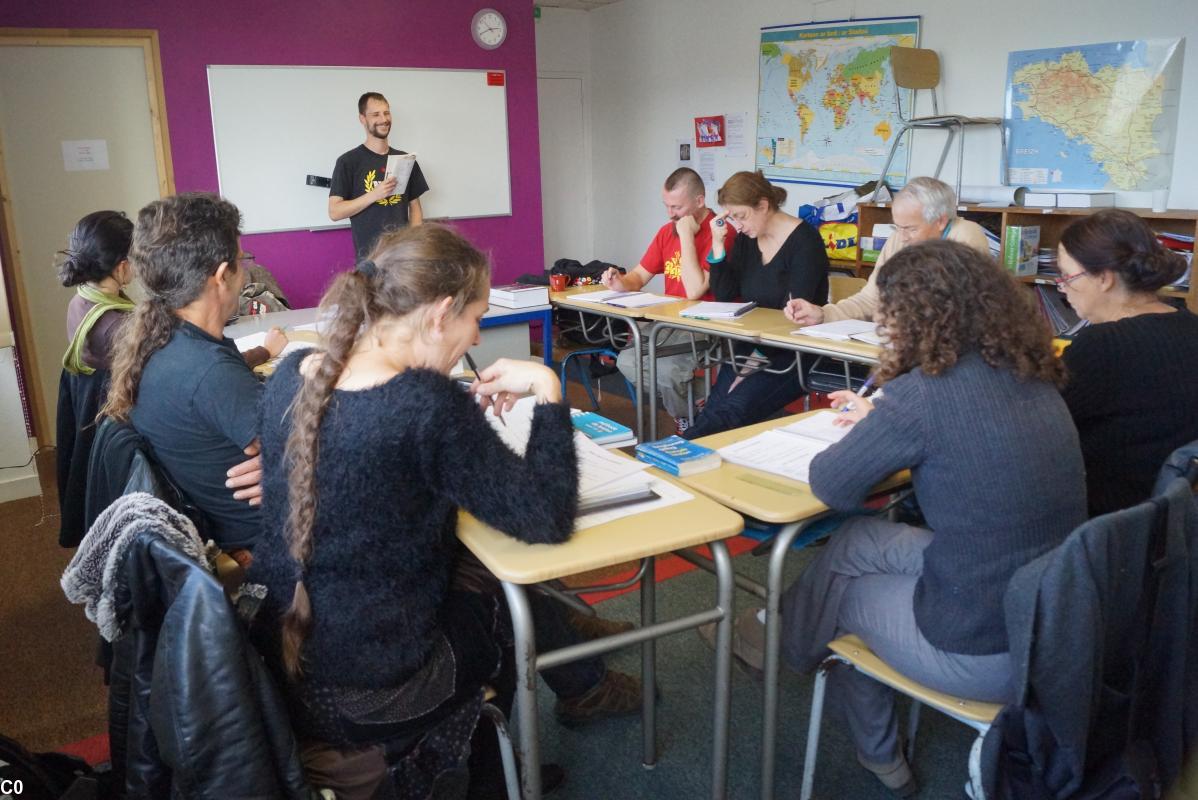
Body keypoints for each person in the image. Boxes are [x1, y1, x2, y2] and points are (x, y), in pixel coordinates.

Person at [715, 241, 1087, 795]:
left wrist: (880, 420)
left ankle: (805, 677)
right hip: (1056, 620)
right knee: (861, 539)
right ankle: (777, 642)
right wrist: (883, 416)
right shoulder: (1031, 373)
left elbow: (831, 483)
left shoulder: (922, 396)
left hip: (987, 649)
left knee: (845, 597)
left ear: (913, 318)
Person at [246, 225, 595, 796]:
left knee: (479, 577)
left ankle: (494, 764)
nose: (476, 335)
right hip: (375, 689)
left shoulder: (293, 372)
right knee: (506, 608)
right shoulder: (423, 405)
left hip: (284, 662)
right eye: (475, 319)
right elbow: (546, 516)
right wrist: (548, 388)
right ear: (440, 314)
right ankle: (495, 775)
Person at [101, 193, 268, 551]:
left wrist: (286, 458)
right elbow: (309, 450)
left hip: (221, 520)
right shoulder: (209, 372)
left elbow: (284, 442)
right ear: (222, 276)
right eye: (242, 261)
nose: (244, 273)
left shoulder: (161, 341)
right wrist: (292, 467)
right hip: (270, 537)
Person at [1055, 209, 1198, 517]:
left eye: (1067, 276)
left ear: (1104, 278)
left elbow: (1039, 425)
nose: (1062, 288)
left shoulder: (1102, 346)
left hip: (1111, 524)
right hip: (1177, 517)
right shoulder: (1192, 325)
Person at [681, 170, 829, 439]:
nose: (737, 225)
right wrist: (717, 244)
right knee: (715, 411)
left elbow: (796, 312)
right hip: (752, 344)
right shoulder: (748, 241)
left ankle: (676, 451)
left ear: (763, 205)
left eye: (741, 216)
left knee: (731, 412)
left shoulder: (805, 242)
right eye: (732, 217)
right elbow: (725, 294)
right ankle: (680, 453)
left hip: (794, 351)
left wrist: (753, 361)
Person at [601, 168, 736, 435]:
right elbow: (639, 276)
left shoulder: (720, 233)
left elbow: (694, 291)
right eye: (667, 206)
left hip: (704, 323)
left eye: (676, 207)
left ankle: (685, 418)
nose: (670, 214)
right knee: (626, 361)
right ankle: (698, 400)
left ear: (699, 201)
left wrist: (686, 236)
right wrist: (620, 281)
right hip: (668, 322)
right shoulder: (666, 232)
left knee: (666, 371)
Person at [784, 176, 991, 326]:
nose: (902, 236)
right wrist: (823, 314)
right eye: (897, 227)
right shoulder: (900, 238)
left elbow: (958, 313)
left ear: (940, 221)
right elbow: (871, 299)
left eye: (910, 228)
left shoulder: (965, 237)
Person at [329, 91, 430, 258]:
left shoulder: (405, 159)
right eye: (376, 114)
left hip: (402, 259)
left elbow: (415, 207)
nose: (384, 119)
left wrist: (414, 244)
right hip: (369, 262)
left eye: (386, 113)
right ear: (362, 119)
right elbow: (334, 212)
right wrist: (374, 195)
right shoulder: (348, 162)